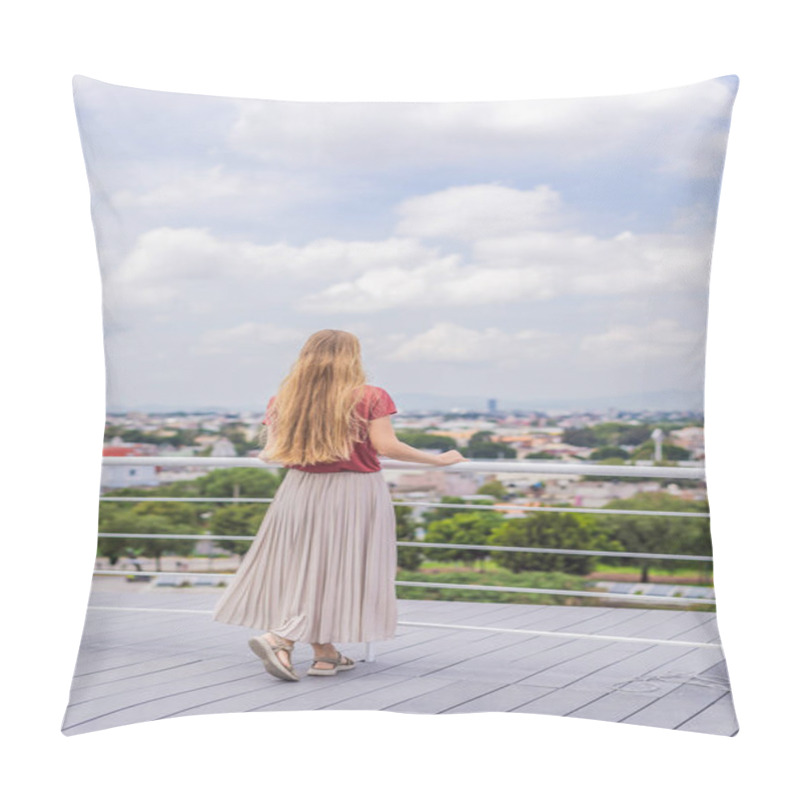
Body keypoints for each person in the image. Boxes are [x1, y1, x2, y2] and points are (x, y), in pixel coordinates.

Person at [212, 329, 468, 681]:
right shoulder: (370, 397)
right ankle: (280, 638)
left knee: (310, 569)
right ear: (353, 357)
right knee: (335, 569)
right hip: (353, 491)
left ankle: (325, 654)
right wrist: (437, 461)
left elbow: (269, 454)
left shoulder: (284, 399)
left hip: (298, 491)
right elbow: (387, 445)